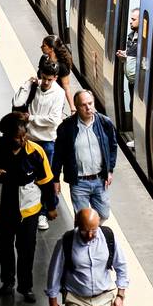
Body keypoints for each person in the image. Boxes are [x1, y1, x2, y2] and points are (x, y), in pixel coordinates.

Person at [0, 112, 53, 303]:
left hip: (29, 210)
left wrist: (51, 207)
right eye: (18, 136)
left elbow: (46, 181)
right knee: (4, 248)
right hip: (1, 209)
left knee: (27, 249)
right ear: (6, 135)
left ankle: (26, 287)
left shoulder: (35, 152)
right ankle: (7, 281)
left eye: (24, 135)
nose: (23, 139)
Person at [46, 208, 130, 306]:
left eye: (94, 230)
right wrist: (53, 303)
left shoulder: (108, 237)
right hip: (77, 301)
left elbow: (121, 265)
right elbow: (54, 273)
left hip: (104, 299)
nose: (90, 235)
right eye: (85, 231)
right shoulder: (66, 242)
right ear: (77, 224)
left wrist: (120, 295)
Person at [13, 63, 72, 231]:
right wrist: (27, 83)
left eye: (49, 79)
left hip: (47, 142)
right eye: (43, 78)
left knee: (46, 178)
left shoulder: (59, 93)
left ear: (55, 78)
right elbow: (17, 101)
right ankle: (28, 206)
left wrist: (31, 118)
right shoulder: (34, 87)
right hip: (29, 139)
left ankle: (44, 212)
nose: (45, 82)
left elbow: (54, 120)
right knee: (26, 174)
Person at [52, 91, 120, 222]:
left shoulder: (105, 123)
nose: (88, 108)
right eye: (84, 105)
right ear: (76, 107)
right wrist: (55, 179)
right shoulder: (66, 127)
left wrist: (110, 170)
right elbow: (58, 155)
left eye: (90, 103)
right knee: (82, 220)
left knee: (104, 214)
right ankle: (85, 237)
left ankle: (91, 231)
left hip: (100, 180)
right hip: (78, 182)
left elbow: (113, 146)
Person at [40, 35, 76, 113]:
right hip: (41, 96)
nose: (41, 47)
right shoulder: (43, 59)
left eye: (44, 45)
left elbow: (66, 87)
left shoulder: (62, 66)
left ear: (51, 49)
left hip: (54, 99)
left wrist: (72, 107)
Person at [116, 10, 139, 113]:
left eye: (133, 19)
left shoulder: (144, 41)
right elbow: (131, 55)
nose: (130, 22)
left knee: (135, 107)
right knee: (132, 105)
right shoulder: (131, 36)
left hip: (139, 84)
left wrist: (127, 56)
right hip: (131, 82)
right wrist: (124, 55)